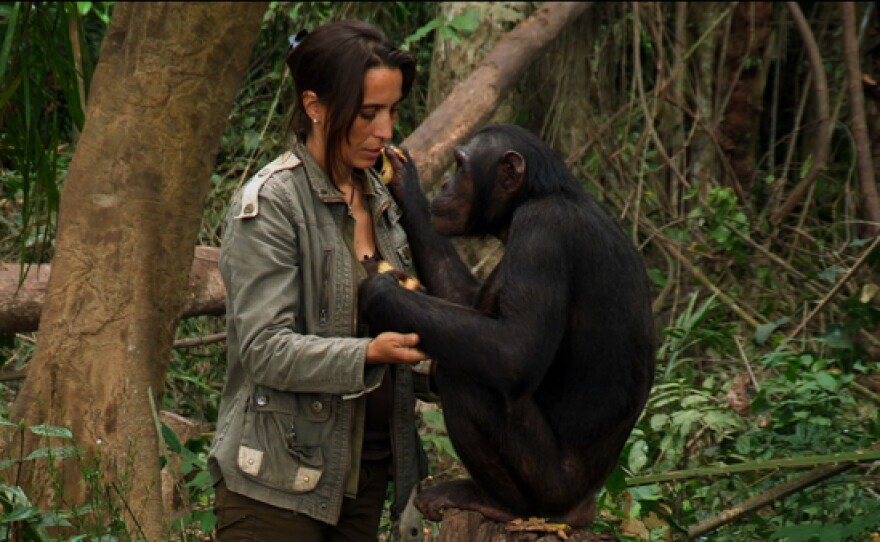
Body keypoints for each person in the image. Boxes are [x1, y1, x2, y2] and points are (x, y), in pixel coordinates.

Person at [208, 20, 433, 541]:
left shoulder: (385, 201)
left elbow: (409, 327)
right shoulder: (272, 205)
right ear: (315, 106)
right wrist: (369, 353)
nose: (386, 132)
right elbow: (263, 348)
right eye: (367, 114)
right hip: (276, 488)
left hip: (366, 480)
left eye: (393, 112)